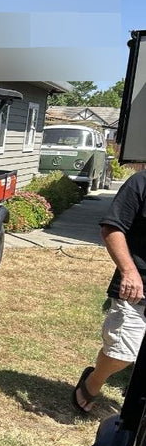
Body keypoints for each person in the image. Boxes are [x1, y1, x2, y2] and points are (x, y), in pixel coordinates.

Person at [75, 170, 146, 412]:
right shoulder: (141, 182)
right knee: (121, 353)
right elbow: (112, 228)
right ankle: (93, 381)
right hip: (137, 289)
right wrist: (129, 271)